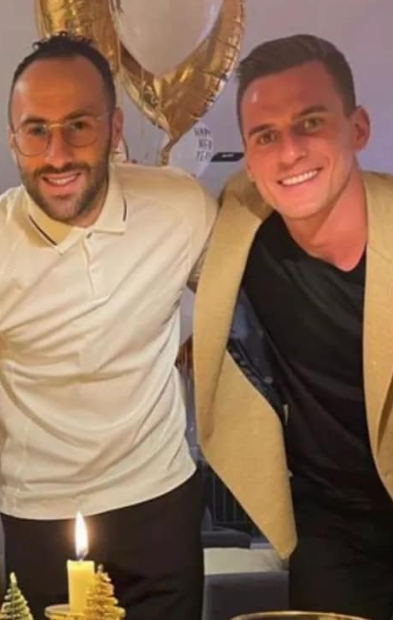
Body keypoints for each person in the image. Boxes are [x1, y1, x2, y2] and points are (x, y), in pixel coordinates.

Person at [0, 33, 217, 620]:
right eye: (36, 130)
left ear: (115, 128)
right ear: (13, 140)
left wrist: (204, 341)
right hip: (41, 514)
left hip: (162, 500)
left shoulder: (181, 206)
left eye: (79, 126)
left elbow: (235, 291)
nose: (57, 154)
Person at [193, 34, 393, 620]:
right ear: (249, 159)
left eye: (310, 123)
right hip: (330, 527)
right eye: (265, 136)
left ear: (358, 128)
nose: (289, 153)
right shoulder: (242, 234)